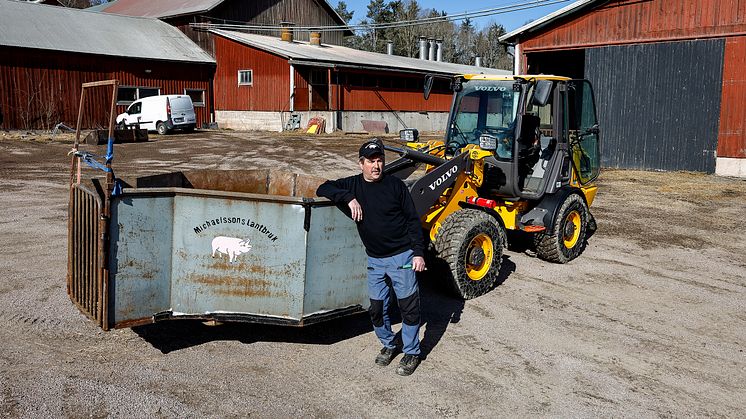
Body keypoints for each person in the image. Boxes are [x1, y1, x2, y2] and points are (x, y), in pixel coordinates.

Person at [316, 139, 426, 376]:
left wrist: (418, 253)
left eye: (379, 161)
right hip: (375, 260)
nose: (376, 166)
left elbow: (412, 221)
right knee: (376, 308)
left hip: (402, 257)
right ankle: (389, 344)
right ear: (361, 164)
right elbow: (322, 187)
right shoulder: (353, 185)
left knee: (408, 307)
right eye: (371, 161)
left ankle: (412, 352)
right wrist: (347, 198)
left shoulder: (395, 186)